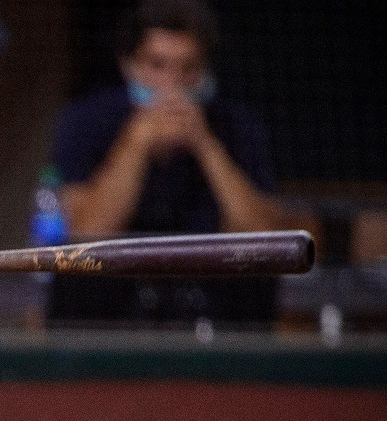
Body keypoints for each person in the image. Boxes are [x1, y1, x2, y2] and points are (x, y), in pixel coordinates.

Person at [47, 0, 283, 326]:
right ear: (128, 66)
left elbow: (265, 242)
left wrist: (205, 144)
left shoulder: (237, 127)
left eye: (188, 69)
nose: (172, 85)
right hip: (109, 316)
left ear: (206, 72)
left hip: (213, 313)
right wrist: (136, 144)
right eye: (158, 66)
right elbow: (87, 234)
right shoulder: (86, 121)